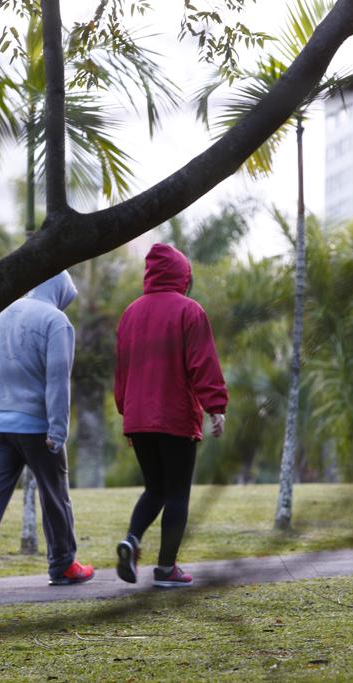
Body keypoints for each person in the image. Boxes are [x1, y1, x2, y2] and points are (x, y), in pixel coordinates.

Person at [0, 271, 94, 591]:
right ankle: (64, 564)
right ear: (59, 291)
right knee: (55, 494)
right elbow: (57, 380)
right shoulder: (56, 321)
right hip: (35, 425)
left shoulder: (0, 316)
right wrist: (58, 429)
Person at [113, 243, 228, 587]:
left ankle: (132, 539)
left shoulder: (130, 313)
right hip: (175, 416)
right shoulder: (189, 311)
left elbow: (122, 371)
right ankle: (165, 569)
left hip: (139, 418)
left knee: (155, 488)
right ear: (183, 275)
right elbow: (202, 363)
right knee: (177, 492)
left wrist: (126, 412)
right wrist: (216, 407)